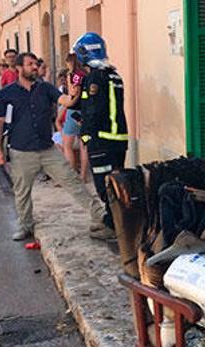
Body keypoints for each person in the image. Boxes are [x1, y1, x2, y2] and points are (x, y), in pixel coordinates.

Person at [0, 52, 112, 241]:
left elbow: (67, 101)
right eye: (30, 64)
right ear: (19, 68)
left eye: (36, 64)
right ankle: (25, 225)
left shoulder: (45, 88)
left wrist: (74, 93)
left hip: (47, 150)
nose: (34, 67)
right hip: (21, 151)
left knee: (73, 182)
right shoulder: (6, 94)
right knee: (22, 192)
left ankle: (100, 217)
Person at [72, 33, 129, 233]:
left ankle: (114, 227)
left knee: (105, 186)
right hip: (118, 139)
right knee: (117, 181)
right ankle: (112, 221)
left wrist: (86, 134)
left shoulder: (94, 77)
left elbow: (93, 109)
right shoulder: (113, 74)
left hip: (102, 140)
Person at [58, 53, 88, 181]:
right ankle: (83, 176)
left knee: (67, 145)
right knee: (84, 145)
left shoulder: (72, 75)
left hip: (73, 111)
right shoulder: (86, 74)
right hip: (85, 111)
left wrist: (69, 100)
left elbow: (73, 92)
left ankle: (71, 176)